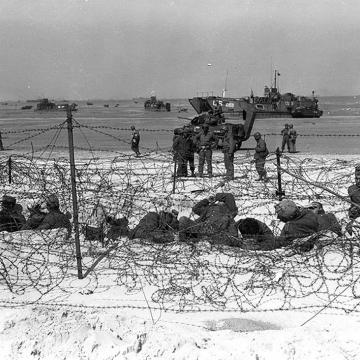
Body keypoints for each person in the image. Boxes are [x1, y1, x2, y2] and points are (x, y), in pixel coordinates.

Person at [346, 165, 360, 235]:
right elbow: (352, 204)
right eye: (356, 179)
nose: (358, 181)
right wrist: (352, 210)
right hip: (356, 216)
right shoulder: (351, 189)